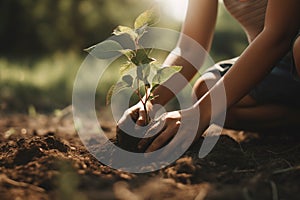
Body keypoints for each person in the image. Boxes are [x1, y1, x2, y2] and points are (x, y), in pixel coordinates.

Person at [117, 0, 300, 154]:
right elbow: (190, 49)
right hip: (275, 69)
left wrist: (199, 114)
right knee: (207, 92)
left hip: (290, 50)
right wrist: (150, 101)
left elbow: (279, 34)